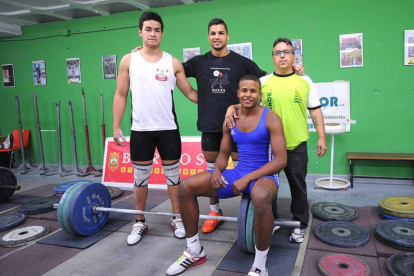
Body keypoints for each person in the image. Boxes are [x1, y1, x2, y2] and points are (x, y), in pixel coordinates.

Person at [133, 19, 303, 234]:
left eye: (221, 33)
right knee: (214, 172)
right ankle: (215, 212)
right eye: (212, 33)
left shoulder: (242, 62)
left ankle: (249, 214)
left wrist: (294, 72)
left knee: (245, 173)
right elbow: (170, 69)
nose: (216, 36)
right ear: (208, 37)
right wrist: (145, 52)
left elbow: (267, 79)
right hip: (211, 125)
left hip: (240, 127)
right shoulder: (198, 62)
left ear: (227, 36)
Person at [166, 75, 287, 276]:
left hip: (265, 176)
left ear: (259, 94)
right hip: (238, 173)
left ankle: (259, 265)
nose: (248, 94)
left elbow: (281, 160)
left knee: (261, 196)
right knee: (186, 187)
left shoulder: (271, 118)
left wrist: (248, 178)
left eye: (253, 91)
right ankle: (194, 251)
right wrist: (217, 171)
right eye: (244, 91)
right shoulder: (231, 119)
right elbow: (223, 153)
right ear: (238, 93)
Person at [226, 37, 327, 243]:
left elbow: (315, 110)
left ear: (293, 56)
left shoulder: (305, 81)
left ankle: (299, 224)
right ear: (272, 57)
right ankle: (269, 221)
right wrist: (231, 108)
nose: (282, 55)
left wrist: (322, 137)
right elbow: (246, 103)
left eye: (286, 52)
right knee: (266, 184)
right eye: (277, 52)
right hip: (268, 147)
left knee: (298, 187)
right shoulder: (263, 82)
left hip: (296, 143)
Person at [112, 11, 198, 246]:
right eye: (148, 29)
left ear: (162, 33)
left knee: (173, 177)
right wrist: (116, 125)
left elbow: (190, 93)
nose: (152, 33)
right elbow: (120, 95)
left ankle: (177, 217)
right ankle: (139, 221)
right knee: (140, 178)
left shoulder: (172, 62)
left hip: (168, 129)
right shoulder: (128, 60)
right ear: (140, 32)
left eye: (157, 29)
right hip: (141, 130)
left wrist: (220, 102)